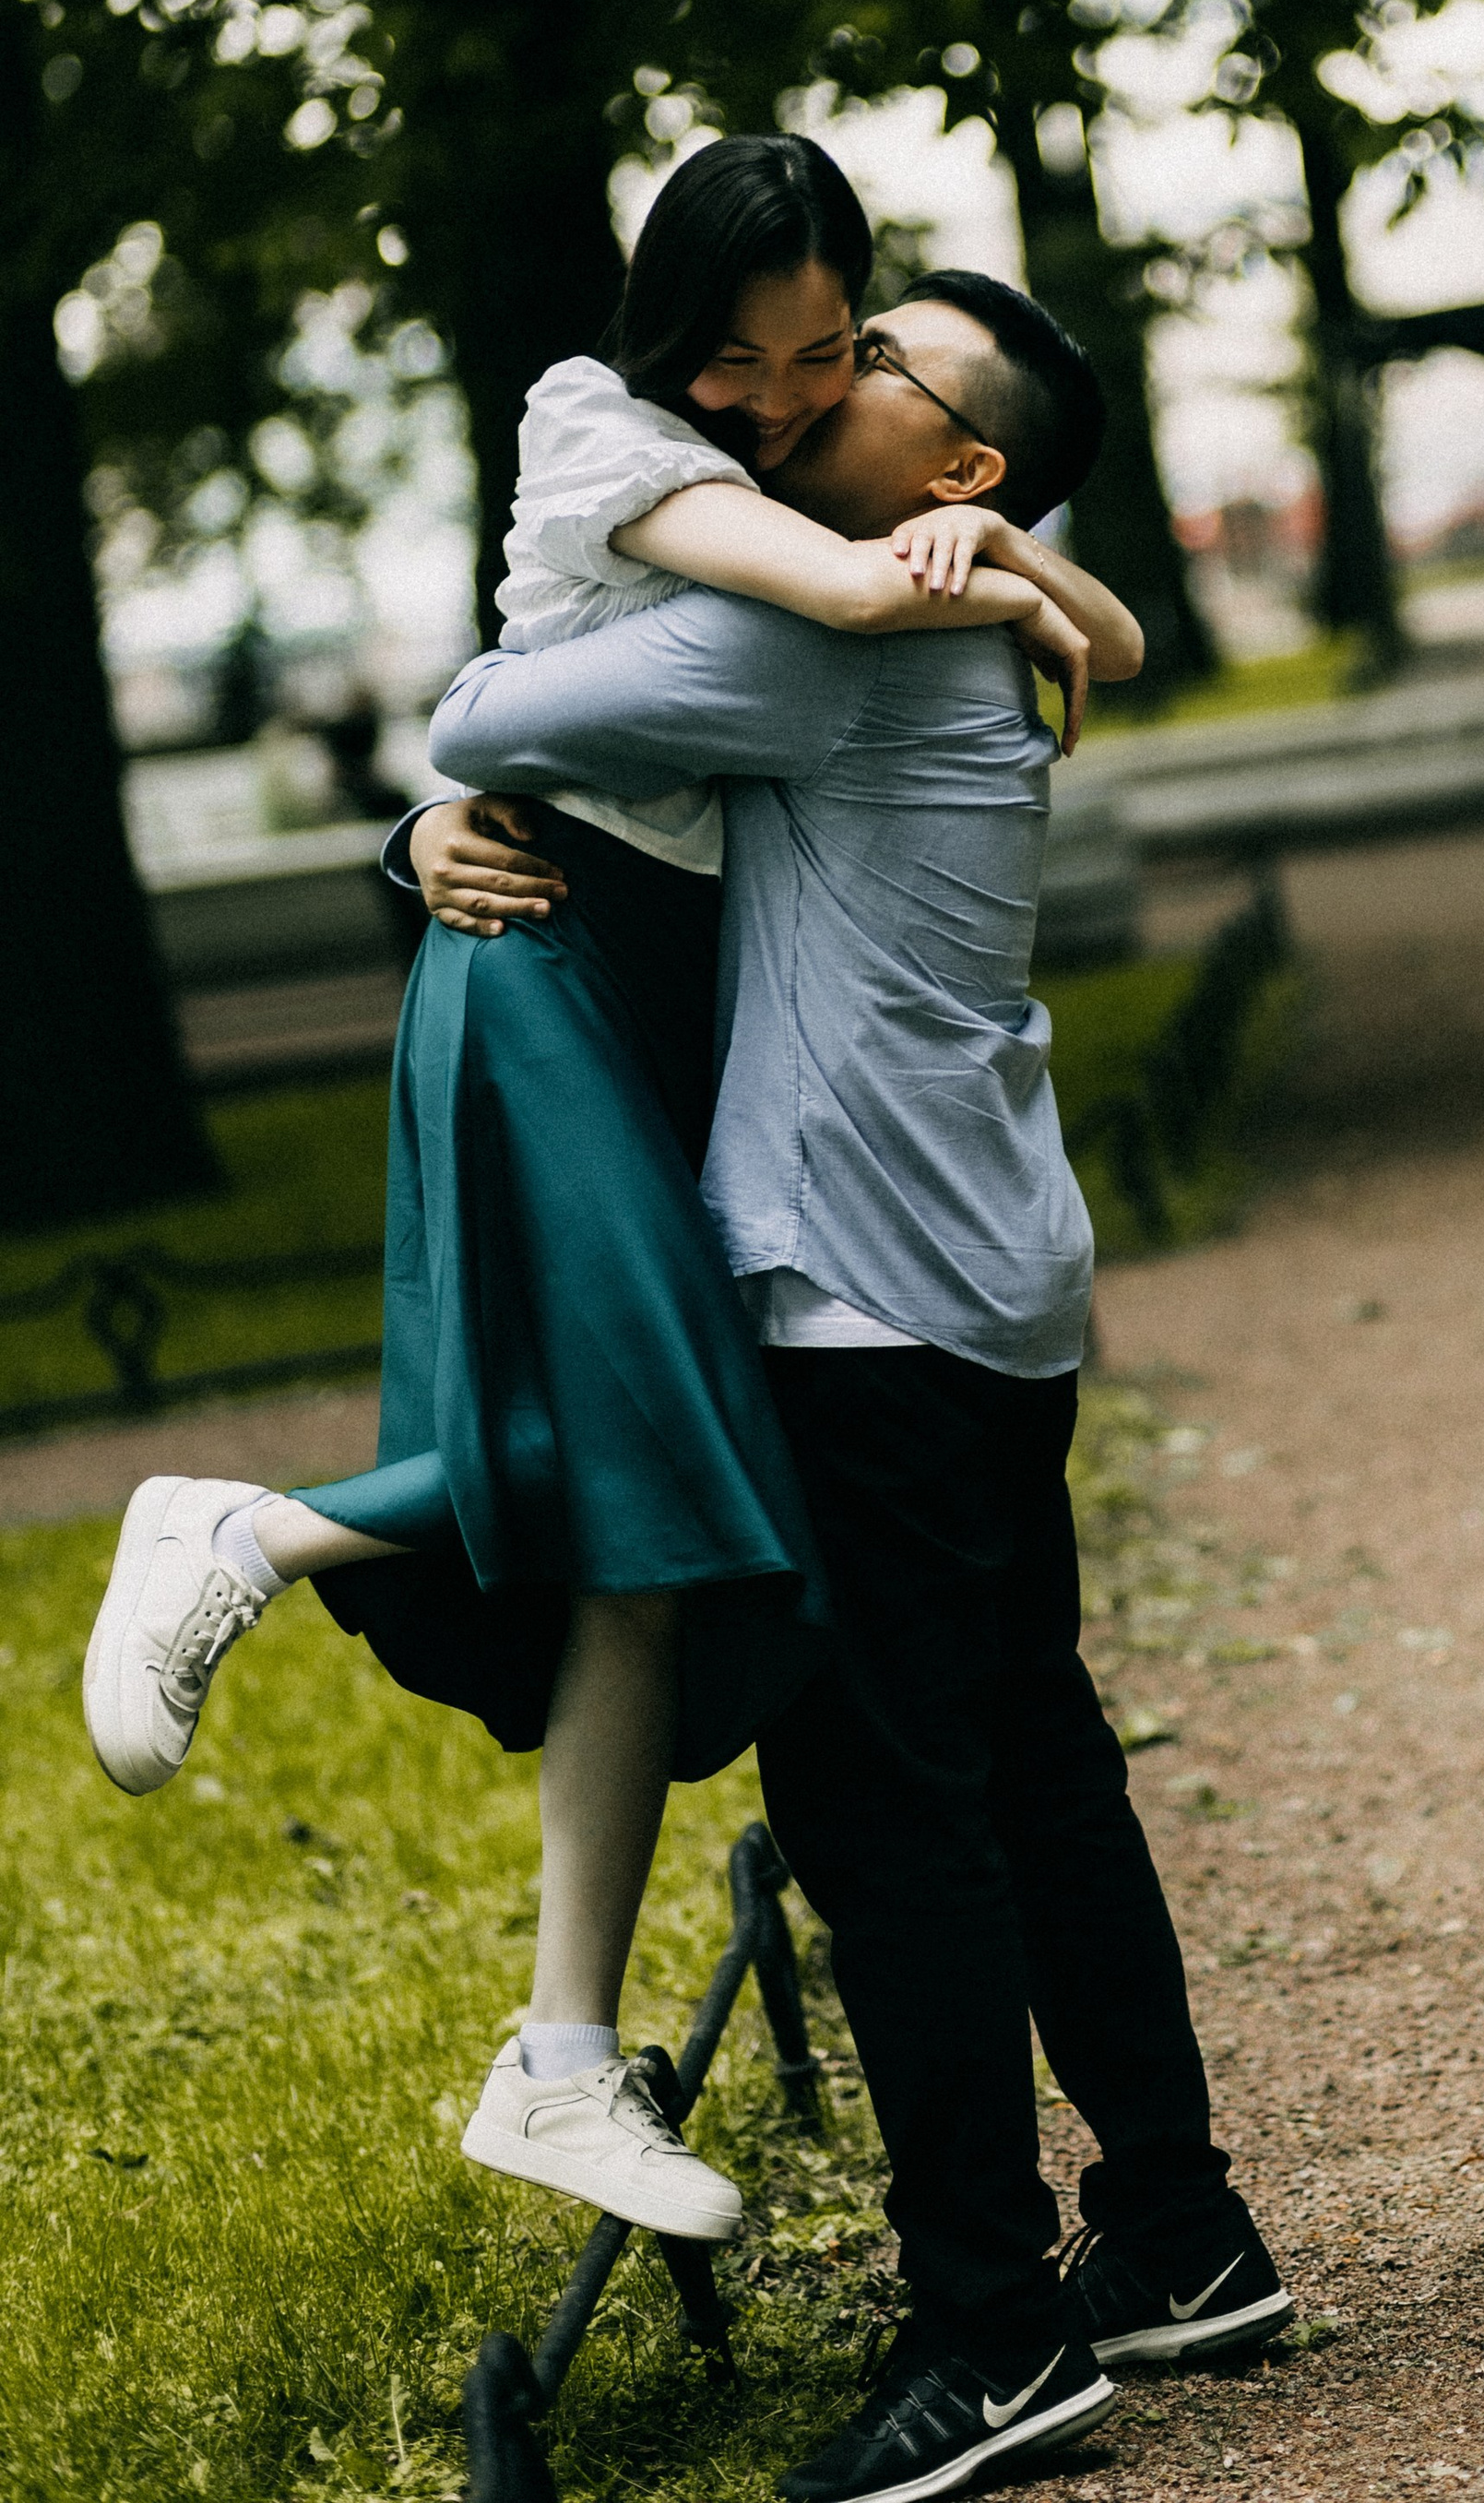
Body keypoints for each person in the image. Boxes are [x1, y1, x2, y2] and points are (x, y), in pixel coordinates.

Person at [80, 139, 1132, 2255]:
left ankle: (562, 2055)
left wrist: (1022, 575)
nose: (784, 397)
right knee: (657, 1447)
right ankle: (250, 1529)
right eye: (753, 356)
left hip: (664, 989)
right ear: (675, 329)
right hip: (557, 955)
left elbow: (795, 641)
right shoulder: (610, 429)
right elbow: (518, 701)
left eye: (836, 358)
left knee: (670, 1508)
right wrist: (1014, 579)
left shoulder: (835, 537)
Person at [418, 270, 1293, 2503]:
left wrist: (429, 816)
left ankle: (992, 2337)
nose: (817, 383)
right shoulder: (957, 613)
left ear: (963, 463)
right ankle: (1178, 2238)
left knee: (886, 1821)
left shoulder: (829, 635)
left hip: (858, 1301)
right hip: (991, 1281)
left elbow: (499, 715)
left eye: (876, 364)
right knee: (1034, 1758)